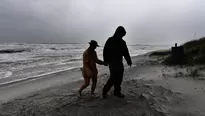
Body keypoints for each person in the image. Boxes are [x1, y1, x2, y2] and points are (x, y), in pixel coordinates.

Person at [102, 26, 132, 98]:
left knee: (120, 78)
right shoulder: (110, 40)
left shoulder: (122, 42)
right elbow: (105, 51)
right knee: (113, 77)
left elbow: (126, 52)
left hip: (119, 62)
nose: (122, 36)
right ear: (118, 33)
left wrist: (128, 60)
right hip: (112, 62)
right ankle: (105, 91)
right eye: (122, 34)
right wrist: (105, 60)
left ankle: (117, 92)